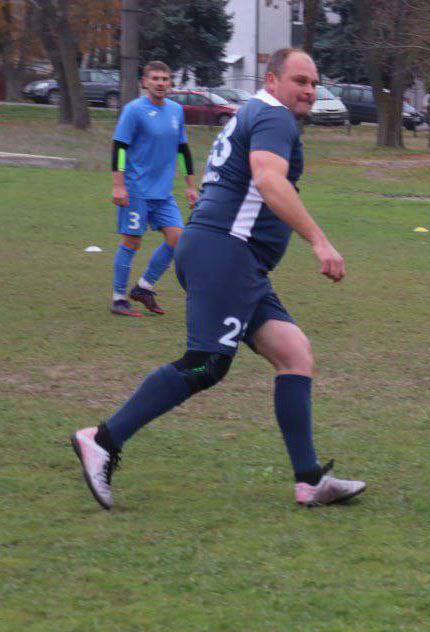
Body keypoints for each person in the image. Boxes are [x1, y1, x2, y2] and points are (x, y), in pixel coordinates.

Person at [71, 48, 366, 509]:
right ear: (272, 80)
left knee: (294, 353)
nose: (309, 90)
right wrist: (318, 240)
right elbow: (269, 182)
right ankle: (103, 440)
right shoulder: (276, 118)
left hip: (231, 256)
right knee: (206, 363)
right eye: (299, 80)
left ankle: (309, 479)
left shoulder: (255, 111)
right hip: (226, 252)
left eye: (313, 82)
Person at [109, 61, 198, 316]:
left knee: (178, 238)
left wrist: (190, 186)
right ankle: (118, 299)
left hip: (163, 192)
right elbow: (120, 147)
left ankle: (144, 287)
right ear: (145, 82)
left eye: (165, 79)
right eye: (155, 78)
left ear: (170, 83)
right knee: (132, 242)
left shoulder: (176, 111)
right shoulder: (133, 110)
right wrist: (119, 185)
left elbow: (182, 150)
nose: (161, 83)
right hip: (136, 189)